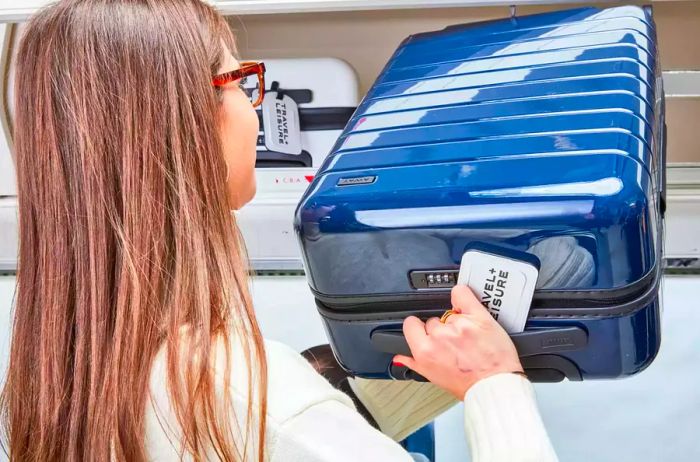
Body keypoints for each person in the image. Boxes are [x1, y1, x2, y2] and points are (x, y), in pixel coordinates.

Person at [1, 0, 558, 460]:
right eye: (240, 81)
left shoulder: (55, 382)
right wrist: (493, 387)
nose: (254, 109)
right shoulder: (245, 396)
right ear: (183, 121)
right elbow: (279, 427)